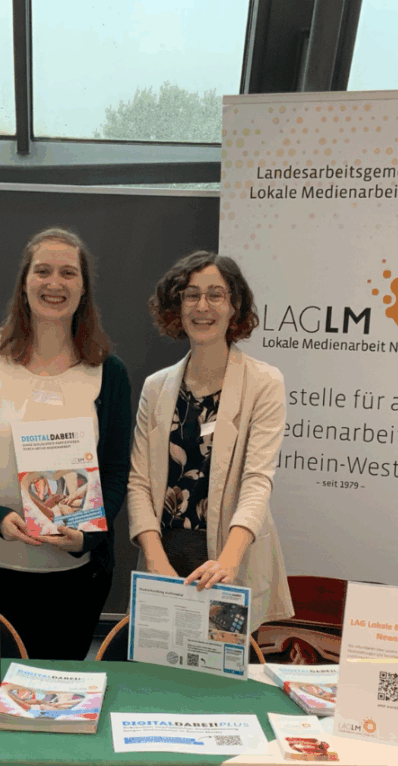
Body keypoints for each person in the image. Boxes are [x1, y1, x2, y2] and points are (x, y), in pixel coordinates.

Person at [0, 227, 132, 660]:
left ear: (84, 288)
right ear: (24, 283)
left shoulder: (109, 372)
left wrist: (89, 536)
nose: (54, 283)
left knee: (57, 699)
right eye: (42, 271)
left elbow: (118, 471)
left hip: (76, 581)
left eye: (68, 273)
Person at [126, 251, 294, 631]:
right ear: (177, 306)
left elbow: (257, 481)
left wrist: (229, 562)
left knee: (221, 681)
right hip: (163, 554)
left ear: (235, 306)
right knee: (155, 679)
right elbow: (138, 482)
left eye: (215, 295)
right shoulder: (156, 388)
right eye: (191, 295)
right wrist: (155, 562)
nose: (203, 306)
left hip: (230, 557)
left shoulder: (264, 383)